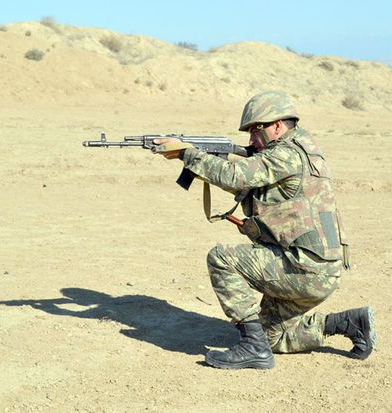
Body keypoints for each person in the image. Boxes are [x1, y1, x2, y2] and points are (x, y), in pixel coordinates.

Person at [155, 90, 375, 369]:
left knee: (222, 258)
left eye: (255, 131)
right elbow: (247, 181)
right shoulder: (302, 147)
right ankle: (349, 323)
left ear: (277, 125)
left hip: (305, 268)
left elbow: (236, 176)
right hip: (315, 266)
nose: (250, 140)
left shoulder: (284, 155)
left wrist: (188, 154)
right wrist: (200, 158)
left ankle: (252, 347)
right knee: (275, 336)